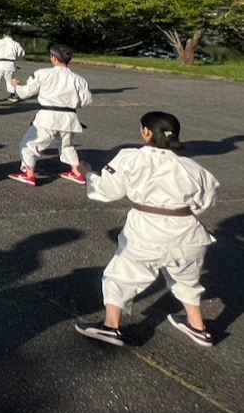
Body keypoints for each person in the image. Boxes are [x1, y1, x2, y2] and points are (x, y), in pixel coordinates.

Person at [73, 112, 219, 348]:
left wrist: (88, 173)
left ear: (147, 132)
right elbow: (206, 202)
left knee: (121, 275)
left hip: (146, 229)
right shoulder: (193, 168)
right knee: (187, 280)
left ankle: (111, 326)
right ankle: (198, 327)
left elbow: (107, 191)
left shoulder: (130, 158)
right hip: (188, 232)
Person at [8, 44, 93, 187]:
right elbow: (86, 100)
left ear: (54, 58)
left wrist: (16, 86)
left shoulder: (42, 73)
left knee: (28, 145)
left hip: (48, 116)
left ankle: (28, 174)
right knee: (67, 146)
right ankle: (77, 173)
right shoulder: (79, 79)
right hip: (69, 118)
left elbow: (25, 93)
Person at [0, 31, 26, 101]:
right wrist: (15, 59)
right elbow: (22, 54)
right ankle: (13, 95)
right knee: (10, 80)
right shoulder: (16, 44)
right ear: (12, 35)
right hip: (10, 63)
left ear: (4, 35)